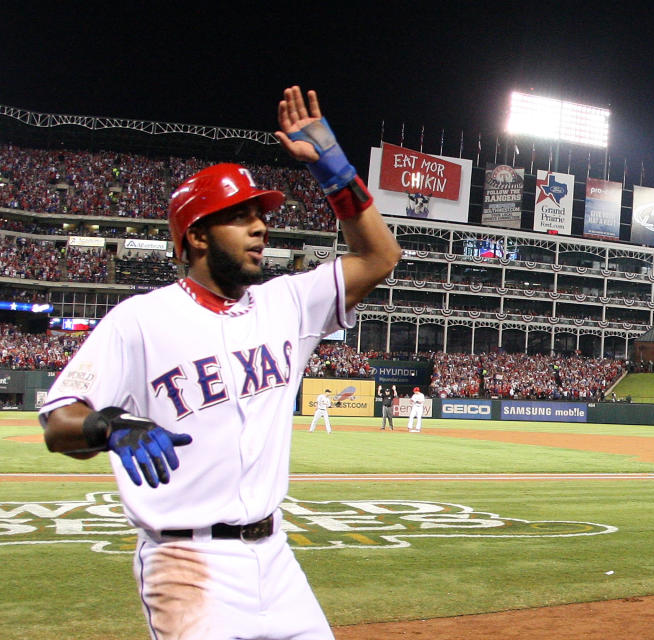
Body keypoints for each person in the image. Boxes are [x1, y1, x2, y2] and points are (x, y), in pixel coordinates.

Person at [38, 85, 402, 640]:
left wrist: (335, 168)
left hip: (276, 556)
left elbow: (380, 256)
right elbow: (57, 420)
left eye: (261, 214)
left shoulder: (288, 303)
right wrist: (107, 426)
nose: (261, 226)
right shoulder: (140, 319)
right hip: (184, 562)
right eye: (240, 215)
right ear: (197, 235)